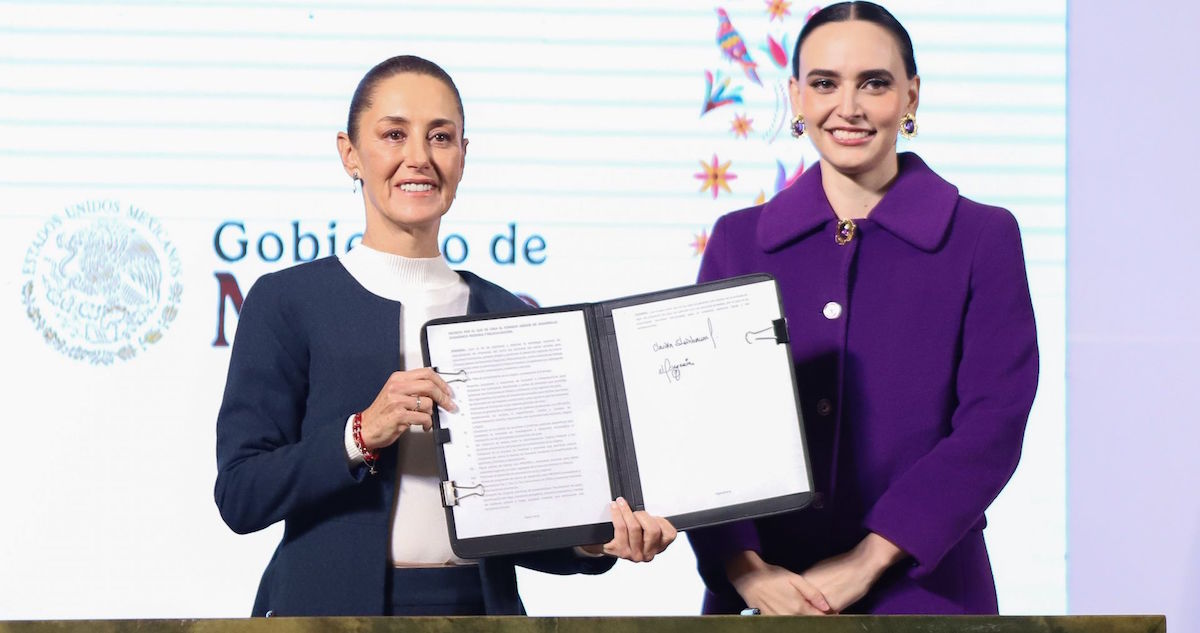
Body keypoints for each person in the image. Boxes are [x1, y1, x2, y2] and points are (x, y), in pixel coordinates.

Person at [214, 55, 677, 617]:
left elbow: (523, 524)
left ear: (463, 156)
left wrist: (594, 540)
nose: (419, 158)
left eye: (441, 137)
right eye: (393, 134)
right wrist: (360, 433)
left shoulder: (508, 315)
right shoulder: (288, 301)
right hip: (328, 613)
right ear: (349, 154)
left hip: (479, 612)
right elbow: (241, 494)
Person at [687, 1, 1039, 616]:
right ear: (795, 96)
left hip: (927, 596)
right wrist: (745, 572)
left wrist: (867, 561)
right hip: (764, 599)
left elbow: (993, 426)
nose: (847, 107)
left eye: (873, 83)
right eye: (824, 83)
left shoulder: (982, 236)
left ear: (911, 96)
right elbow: (699, 423)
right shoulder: (738, 240)